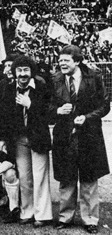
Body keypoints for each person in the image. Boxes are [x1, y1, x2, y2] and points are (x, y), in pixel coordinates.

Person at [50, 45, 110, 234]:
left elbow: (105, 106)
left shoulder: (94, 78)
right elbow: (45, 107)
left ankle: (90, 219)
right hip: (64, 135)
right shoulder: (55, 80)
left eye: (66, 60)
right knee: (66, 178)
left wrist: (87, 117)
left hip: (89, 134)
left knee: (89, 178)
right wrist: (58, 111)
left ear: (77, 61)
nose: (61, 64)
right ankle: (65, 217)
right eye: (60, 60)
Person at [0, 55, 53, 227]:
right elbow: (4, 116)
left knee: (40, 177)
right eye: (19, 70)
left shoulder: (42, 87)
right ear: (14, 72)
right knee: (25, 177)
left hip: (38, 137)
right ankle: (26, 212)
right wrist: (5, 139)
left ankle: (42, 215)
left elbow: (49, 113)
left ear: (31, 72)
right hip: (19, 139)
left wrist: (31, 105)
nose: (22, 74)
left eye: (26, 70)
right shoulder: (8, 89)